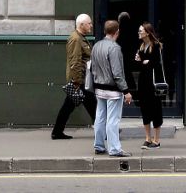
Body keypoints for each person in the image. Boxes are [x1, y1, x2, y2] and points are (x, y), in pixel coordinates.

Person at [86, 19, 131, 157]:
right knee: (113, 120)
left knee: (100, 117)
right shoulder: (114, 48)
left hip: (99, 88)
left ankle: (99, 146)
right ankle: (115, 149)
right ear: (117, 32)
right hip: (113, 90)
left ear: (105, 31)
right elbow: (117, 73)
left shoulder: (96, 46)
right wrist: (126, 91)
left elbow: (92, 67)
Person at [51, 13, 96, 140]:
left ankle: (57, 132)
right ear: (81, 25)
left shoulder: (80, 37)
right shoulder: (76, 39)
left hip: (81, 79)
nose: (91, 26)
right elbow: (75, 62)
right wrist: (77, 82)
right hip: (80, 80)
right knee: (92, 106)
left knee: (70, 107)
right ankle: (105, 131)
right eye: (89, 23)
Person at [133, 22, 166, 149]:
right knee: (145, 110)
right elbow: (138, 65)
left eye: (140, 31)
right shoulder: (141, 47)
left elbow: (156, 65)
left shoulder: (156, 46)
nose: (139, 33)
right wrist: (142, 62)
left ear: (147, 33)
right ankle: (147, 138)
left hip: (153, 83)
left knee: (156, 110)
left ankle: (156, 140)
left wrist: (146, 62)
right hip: (143, 83)